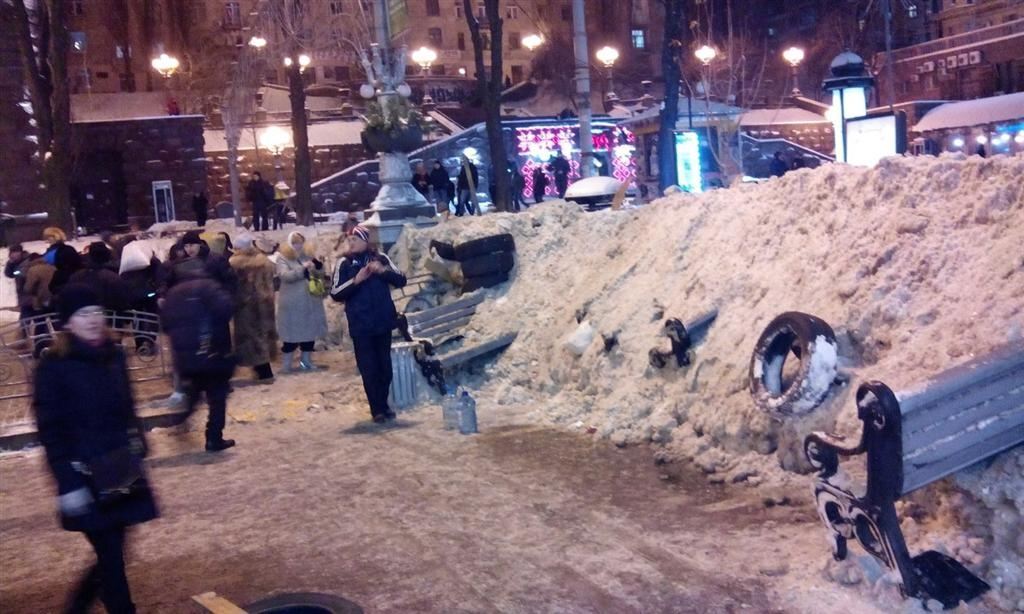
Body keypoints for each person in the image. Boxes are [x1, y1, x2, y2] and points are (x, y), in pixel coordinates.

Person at [33, 284, 159, 614]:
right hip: (84, 473)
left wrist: (138, 438)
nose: (91, 319)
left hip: (120, 467)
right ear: (67, 323)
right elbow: (51, 431)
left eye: (95, 312)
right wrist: (68, 484)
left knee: (115, 546)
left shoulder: (113, 355)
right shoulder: (54, 366)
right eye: (82, 314)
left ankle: (78, 606)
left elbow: (127, 405)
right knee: (110, 553)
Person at [329, 226, 407, 423]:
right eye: (350, 239)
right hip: (361, 324)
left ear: (366, 240)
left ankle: (383, 403)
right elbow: (336, 293)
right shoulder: (344, 263)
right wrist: (356, 280)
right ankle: (377, 409)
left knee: (385, 368)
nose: (351, 242)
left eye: (355, 238)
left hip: (382, 321)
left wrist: (383, 271)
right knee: (368, 368)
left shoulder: (381, 258)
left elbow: (401, 280)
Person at [161, 268, 237, 452]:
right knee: (217, 397)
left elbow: (164, 325)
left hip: (185, 357)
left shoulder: (172, 294)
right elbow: (226, 309)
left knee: (195, 390)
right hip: (210, 352)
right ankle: (214, 439)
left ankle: (181, 418)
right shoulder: (208, 287)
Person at [276, 231, 328, 372]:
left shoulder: (308, 255)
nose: (298, 245)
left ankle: (306, 361)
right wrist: (302, 269)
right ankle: (286, 364)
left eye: (300, 242)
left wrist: (318, 267)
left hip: (310, 301)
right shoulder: (282, 258)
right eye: (295, 242)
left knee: (309, 333)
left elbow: (319, 274)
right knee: (291, 335)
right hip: (292, 303)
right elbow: (284, 275)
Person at [230, 234, 279, 383]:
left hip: (246, 306)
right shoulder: (264, 261)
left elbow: (234, 286)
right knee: (262, 336)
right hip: (265, 304)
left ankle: (263, 372)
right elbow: (275, 282)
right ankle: (263, 370)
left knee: (250, 338)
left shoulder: (235, 264)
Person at [70, 242, 129, 313]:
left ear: (89, 256)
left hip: (81, 317)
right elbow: (122, 304)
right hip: (111, 319)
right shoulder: (114, 278)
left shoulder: (76, 276)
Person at [42, 226, 82, 294]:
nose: (47, 239)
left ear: (55, 237)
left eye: (49, 237)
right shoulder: (68, 249)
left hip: (59, 283)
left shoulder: (54, 252)